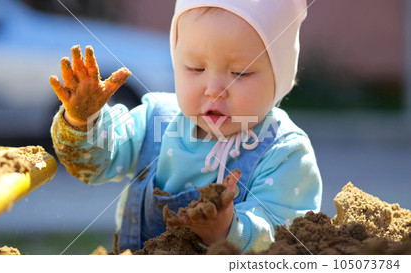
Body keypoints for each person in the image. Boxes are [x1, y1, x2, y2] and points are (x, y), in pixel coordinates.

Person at [49, 0, 322, 253]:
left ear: (280, 76)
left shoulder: (284, 151)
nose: (215, 90)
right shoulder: (156, 118)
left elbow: (286, 238)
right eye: (195, 68)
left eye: (240, 72)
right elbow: (94, 164)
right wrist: (83, 121)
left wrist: (229, 230)